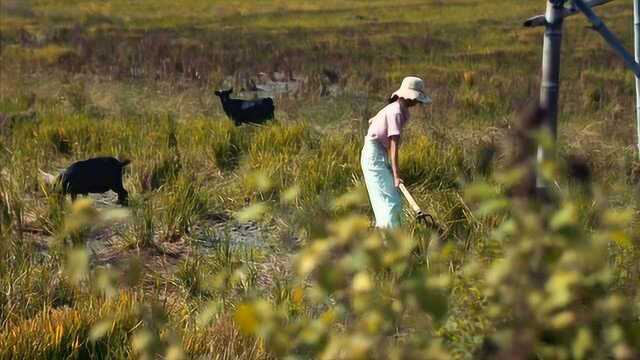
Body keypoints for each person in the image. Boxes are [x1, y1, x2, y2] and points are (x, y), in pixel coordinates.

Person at [361, 76, 432, 228]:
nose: (417, 103)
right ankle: (389, 242)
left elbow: (372, 121)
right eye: (417, 99)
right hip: (374, 156)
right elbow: (394, 146)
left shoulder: (397, 109)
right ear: (410, 97)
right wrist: (396, 176)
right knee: (390, 201)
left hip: (378, 154)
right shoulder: (396, 112)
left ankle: (391, 239)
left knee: (391, 199)